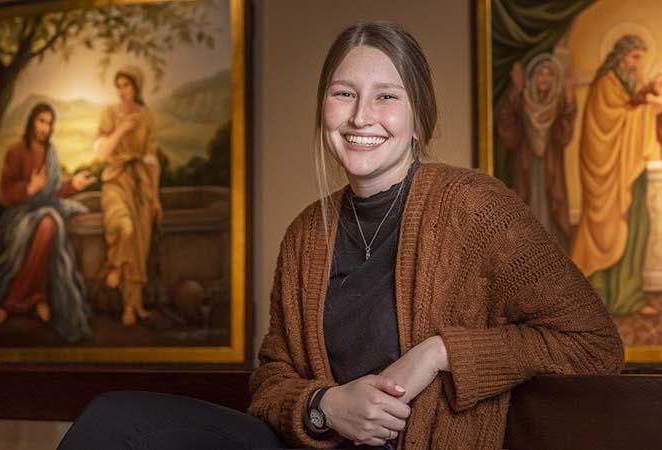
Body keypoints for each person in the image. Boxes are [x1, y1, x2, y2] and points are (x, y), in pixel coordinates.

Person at [58, 22, 623, 450]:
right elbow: (272, 381)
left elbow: (594, 344)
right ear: (324, 106)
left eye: (386, 95)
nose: (360, 116)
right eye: (343, 93)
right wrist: (326, 406)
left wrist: (441, 352)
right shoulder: (307, 233)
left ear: (418, 115)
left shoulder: (477, 208)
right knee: (113, 420)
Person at [0, 102, 95, 343]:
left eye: (49, 123)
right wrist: (28, 188)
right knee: (48, 222)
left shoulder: (51, 154)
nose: (45, 127)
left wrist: (74, 185)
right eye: (41, 121)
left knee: (50, 222)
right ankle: (13, 301)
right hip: (19, 214)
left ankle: (36, 296)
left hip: (44, 212)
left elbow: (53, 191)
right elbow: (5, 194)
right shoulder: (16, 151)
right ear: (32, 122)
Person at [570, 35, 662, 317]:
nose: (639, 65)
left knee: (637, 228)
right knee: (607, 233)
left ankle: (630, 296)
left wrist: (644, 104)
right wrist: (647, 109)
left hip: (630, 172)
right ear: (621, 56)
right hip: (609, 176)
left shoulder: (626, 85)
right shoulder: (606, 85)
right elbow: (606, 129)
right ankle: (599, 296)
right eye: (635, 58)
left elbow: (631, 113)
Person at [94, 65, 163, 326]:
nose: (122, 91)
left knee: (139, 248)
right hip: (115, 181)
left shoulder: (146, 116)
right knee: (125, 227)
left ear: (136, 87)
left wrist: (155, 198)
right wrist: (122, 129)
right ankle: (114, 265)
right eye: (119, 85)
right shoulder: (109, 114)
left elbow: (152, 160)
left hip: (141, 185)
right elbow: (101, 154)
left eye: (127, 85)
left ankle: (132, 307)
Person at [497, 54, 576, 251]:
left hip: (551, 166)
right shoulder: (522, 100)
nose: (544, 79)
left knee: (551, 209)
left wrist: (569, 94)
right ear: (532, 77)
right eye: (540, 74)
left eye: (549, 75)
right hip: (526, 165)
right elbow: (507, 125)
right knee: (528, 202)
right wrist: (515, 90)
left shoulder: (557, 104)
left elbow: (565, 133)